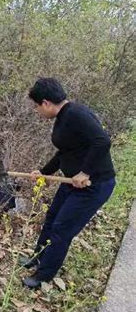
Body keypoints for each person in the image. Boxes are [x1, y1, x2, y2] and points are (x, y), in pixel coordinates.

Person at [21, 77, 116, 289]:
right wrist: (44, 172)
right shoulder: (64, 117)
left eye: (37, 106)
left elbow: (103, 141)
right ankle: (38, 257)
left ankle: (43, 275)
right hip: (71, 182)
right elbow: (66, 151)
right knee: (52, 218)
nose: (37, 111)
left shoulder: (75, 114)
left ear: (46, 103)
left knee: (61, 229)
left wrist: (85, 172)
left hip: (93, 186)